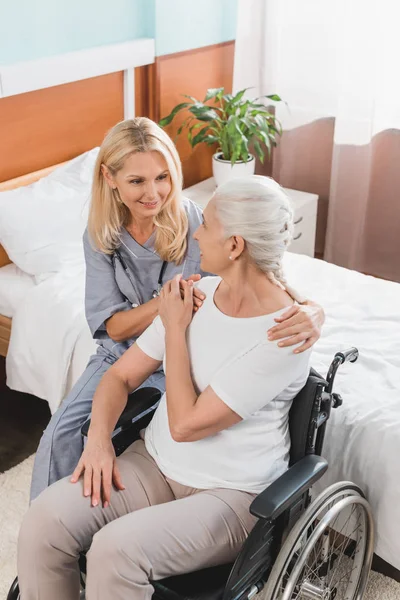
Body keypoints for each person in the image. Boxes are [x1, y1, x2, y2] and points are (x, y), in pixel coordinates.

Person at [19, 176, 313, 600]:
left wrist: (175, 331)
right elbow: (120, 375)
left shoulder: (283, 337)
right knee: (44, 522)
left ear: (234, 246)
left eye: (207, 225)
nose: (196, 233)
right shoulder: (197, 294)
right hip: (155, 465)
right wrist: (99, 440)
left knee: (114, 553)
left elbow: (186, 424)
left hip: (229, 495)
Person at [30, 117, 324, 503]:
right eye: (137, 181)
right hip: (126, 352)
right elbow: (115, 329)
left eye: (163, 177)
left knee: (174, 429)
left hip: (181, 351)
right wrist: (167, 306)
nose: (154, 193)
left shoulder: (192, 220)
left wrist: (313, 309)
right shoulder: (101, 234)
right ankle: (53, 518)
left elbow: (259, 272)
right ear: (110, 177)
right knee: (60, 434)